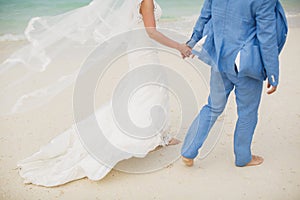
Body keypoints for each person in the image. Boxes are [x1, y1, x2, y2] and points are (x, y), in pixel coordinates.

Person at [1, 0, 191, 187]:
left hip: (138, 48)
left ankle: (160, 136)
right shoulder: (146, 1)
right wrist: (179, 46)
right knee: (153, 89)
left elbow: (132, 24)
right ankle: (155, 136)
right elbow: (151, 31)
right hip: (144, 50)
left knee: (148, 89)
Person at [181, 0, 287, 167]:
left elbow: (204, 17)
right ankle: (243, 157)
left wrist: (192, 41)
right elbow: (266, 36)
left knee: (212, 107)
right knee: (247, 112)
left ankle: (188, 151)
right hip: (246, 64)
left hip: (220, 58)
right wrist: (273, 73)